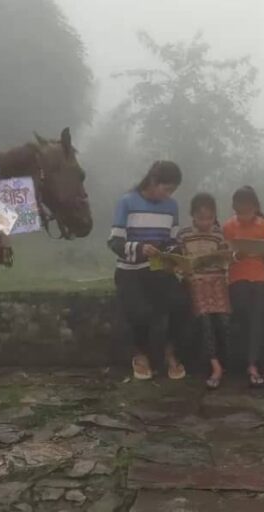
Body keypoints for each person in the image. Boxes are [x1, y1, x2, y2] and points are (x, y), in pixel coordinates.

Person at [108, 161, 189, 381]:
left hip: (159, 268)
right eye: (166, 189)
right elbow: (115, 243)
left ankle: (170, 352)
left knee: (180, 302)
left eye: (172, 191)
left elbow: (173, 240)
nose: (168, 195)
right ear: (153, 182)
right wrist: (141, 249)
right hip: (131, 269)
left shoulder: (171, 206)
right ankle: (140, 355)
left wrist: (174, 255)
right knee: (138, 310)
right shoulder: (127, 202)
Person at [224, 186, 264, 388]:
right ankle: (254, 364)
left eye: (248, 210)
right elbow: (225, 257)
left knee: (262, 310)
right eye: (240, 210)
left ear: (255, 208)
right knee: (244, 307)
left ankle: (261, 365)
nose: (244, 215)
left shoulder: (263, 226)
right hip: (237, 276)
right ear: (234, 208)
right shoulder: (229, 226)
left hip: (258, 275)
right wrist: (235, 256)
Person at [178, 193, 232, 390]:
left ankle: (225, 363)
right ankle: (215, 366)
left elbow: (225, 261)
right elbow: (180, 261)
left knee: (224, 321)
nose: (205, 222)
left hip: (217, 282)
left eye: (209, 218)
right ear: (192, 216)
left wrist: (225, 256)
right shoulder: (183, 234)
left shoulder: (218, 234)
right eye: (201, 218)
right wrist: (184, 270)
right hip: (196, 282)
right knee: (205, 320)